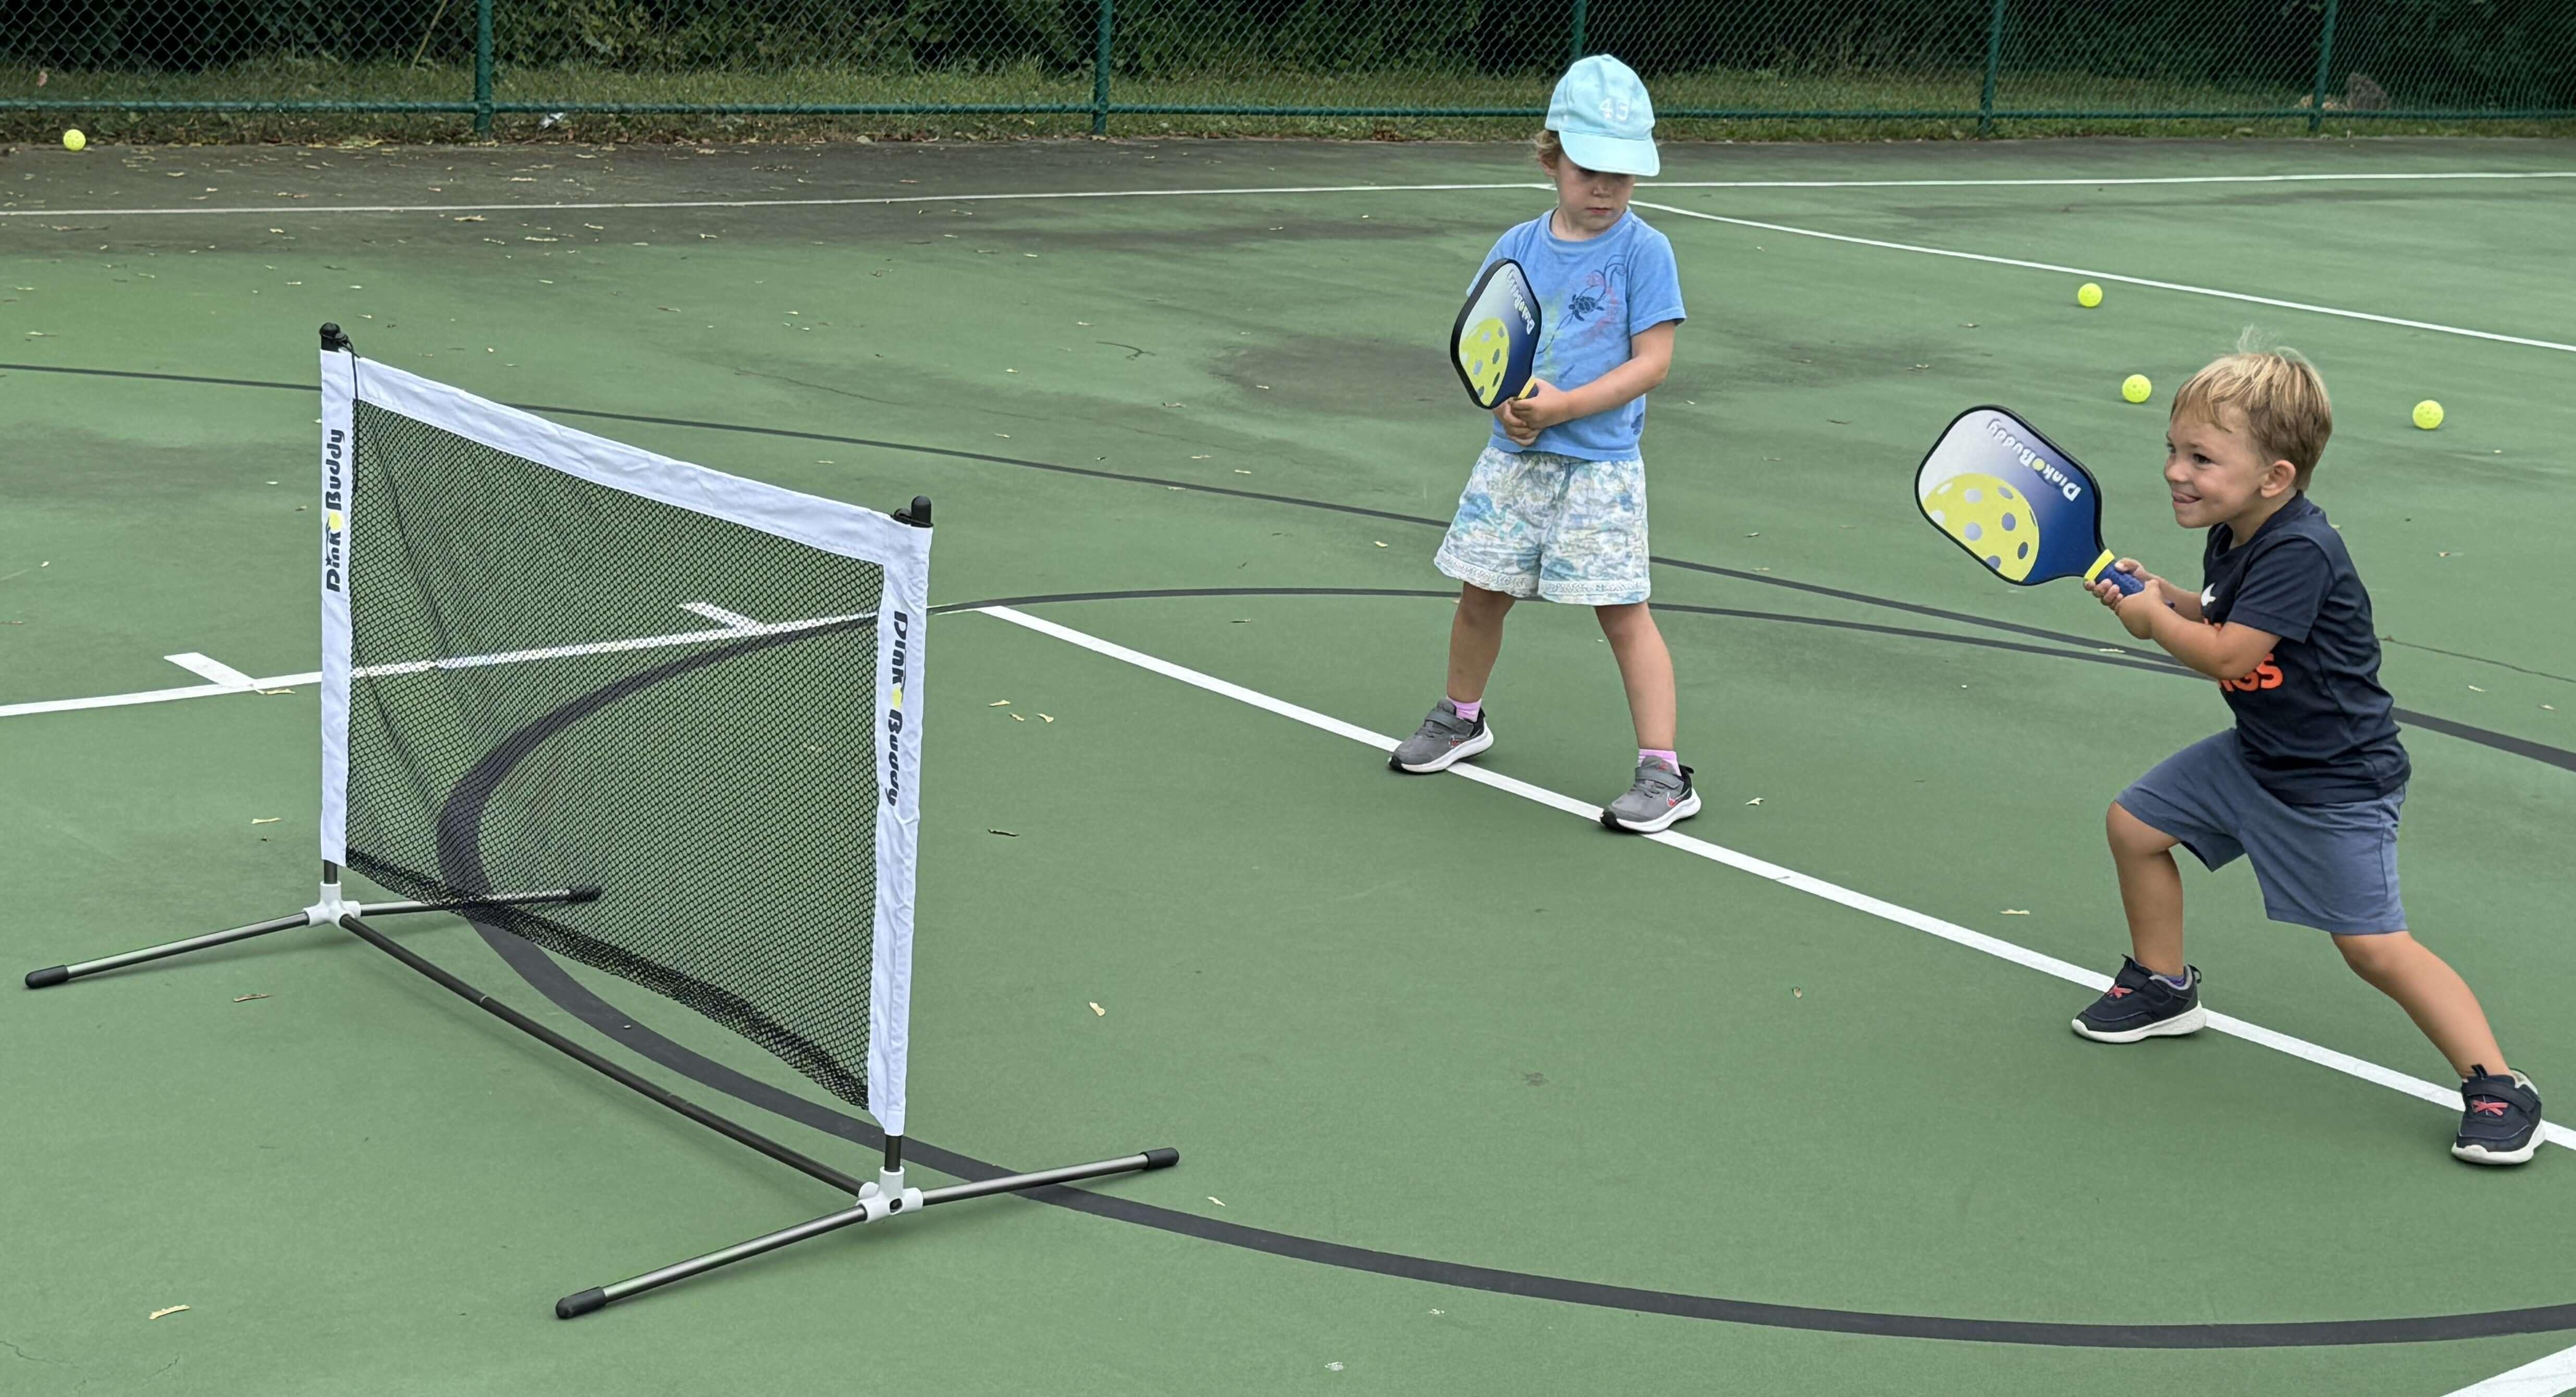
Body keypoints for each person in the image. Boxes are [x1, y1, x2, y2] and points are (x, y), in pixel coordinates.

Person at [2076, 343, 2542, 1165]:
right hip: (2258, 753)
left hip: (2334, 783)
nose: (2175, 472)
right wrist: (2163, 593)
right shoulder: (2237, 532)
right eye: (2173, 451)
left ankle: (2500, 1085)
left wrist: (2153, 623)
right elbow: (2218, 611)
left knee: (2373, 947)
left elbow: (2224, 654)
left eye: (2201, 458)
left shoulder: (2300, 551)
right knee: (2135, 824)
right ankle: (2162, 985)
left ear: (2276, 477)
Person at [1387, 54, 1695, 834]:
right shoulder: (1516, 245)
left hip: (1601, 470)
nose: (1606, 189)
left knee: (1623, 613)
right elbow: (1487, 349)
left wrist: (1563, 409)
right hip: (1516, 462)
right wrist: (1509, 409)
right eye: (1591, 169)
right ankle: (1463, 716)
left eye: (1623, 175)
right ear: (1551, 156)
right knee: (1479, 593)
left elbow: (1653, 362)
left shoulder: (1643, 253)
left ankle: (1664, 772)